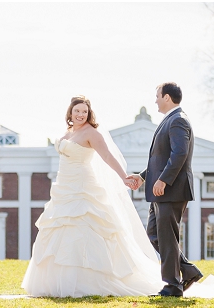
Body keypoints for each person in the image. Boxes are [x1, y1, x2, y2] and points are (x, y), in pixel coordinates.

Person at [21, 96, 164, 297]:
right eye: (77, 111)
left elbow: (106, 156)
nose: (80, 115)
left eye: (84, 112)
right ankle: (55, 283)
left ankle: (88, 282)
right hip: (63, 186)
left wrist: (124, 177)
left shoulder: (92, 133)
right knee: (59, 229)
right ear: (70, 112)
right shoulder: (69, 132)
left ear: (89, 114)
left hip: (82, 186)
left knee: (85, 228)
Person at [126, 82, 203, 297]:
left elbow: (179, 154)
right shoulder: (170, 120)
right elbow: (159, 158)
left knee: (167, 237)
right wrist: (142, 177)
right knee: (154, 234)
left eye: (158, 96)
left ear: (167, 97)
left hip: (171, 190)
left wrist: (163, 181)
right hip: (162, 190)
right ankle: (187, 271)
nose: (156, 100)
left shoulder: (178, 120)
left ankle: (172, 285)